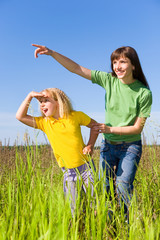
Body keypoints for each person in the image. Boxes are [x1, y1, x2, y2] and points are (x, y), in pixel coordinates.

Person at [32, 44, 152, 218]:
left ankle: (127, 227)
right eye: (114, 62)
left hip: (130, 146)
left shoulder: (143, 93)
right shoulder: (109, 80)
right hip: (108, 146)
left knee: (123, 185)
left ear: (133, 65)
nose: (117, 66)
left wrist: (109, 128)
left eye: (123, 62)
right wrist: (52, 53)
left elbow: (137, 128)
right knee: (105, 189)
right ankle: (110, 225)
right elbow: (76, 69)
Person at [16, 87, 98, 215]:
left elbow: (95, 126)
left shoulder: (75, 116)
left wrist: (90, 145)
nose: (42, 104)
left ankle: (100, 230)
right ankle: (79, 232)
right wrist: (30, 96)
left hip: (87, 168)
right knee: (74, 210)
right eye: (40, 101)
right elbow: (20, 116)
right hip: (68, 172)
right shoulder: (45, 123)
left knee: (95, 205)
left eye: (46, 100)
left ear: (58, 102)